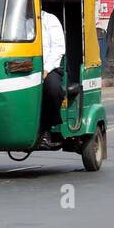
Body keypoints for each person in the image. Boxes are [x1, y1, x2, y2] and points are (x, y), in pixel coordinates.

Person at [40, 8, 66, 138]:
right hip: (22, 68)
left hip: (49, 68)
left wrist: (45, 69)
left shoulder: (49, 19)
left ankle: (47, 128)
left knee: (52, 89)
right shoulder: (15, 20)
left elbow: (58, 49)